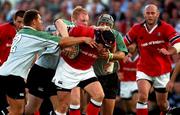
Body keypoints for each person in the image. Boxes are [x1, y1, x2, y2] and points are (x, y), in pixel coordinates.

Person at [0, 9, 96, 115]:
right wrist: (83, 39)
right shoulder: (36, 35)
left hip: (7, 73)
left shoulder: (22, 32)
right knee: (18, 111)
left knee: (28, 108)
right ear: (33, 22)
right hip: (19, 75)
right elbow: (61, 37)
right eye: (40, 19)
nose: (42, 22)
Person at [123, 4, 180, 115]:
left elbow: (178, 43)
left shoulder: (166, 27)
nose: (150, 15)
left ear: (157, 14)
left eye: (153, 13)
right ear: (144, 14)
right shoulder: (136, 28)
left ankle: (167, 110)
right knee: (143, 96)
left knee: (162, 104)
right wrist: (126, 53)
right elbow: (123, 43)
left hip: (162, 70)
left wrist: (170, 51)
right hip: (144, 68)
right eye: (148, 13)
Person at [52, 25, 116, 115]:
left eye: (107, 48)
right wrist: (83, 39)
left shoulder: (109, 39)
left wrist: (110, 59)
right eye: (104, 46)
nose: (105, 49)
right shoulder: (85, 31)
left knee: (99, 96)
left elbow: (113, 47)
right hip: (67, 69)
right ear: (97, 39)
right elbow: (59, 25)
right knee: (63, 106)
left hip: (86, 71)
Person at [92, 14, 128, 115]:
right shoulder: (92, 33)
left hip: (110, 76)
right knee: (89, 110)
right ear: (98, 24)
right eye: (102, 23)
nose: (104, 25)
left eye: (107, 23)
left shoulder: (116, 35)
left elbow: (122, 54)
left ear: (111, 26)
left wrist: (110, 56)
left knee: (108, 112)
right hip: (93, 76)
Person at [0, 10, 25, 114]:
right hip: (3, 73)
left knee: (19, 109)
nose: (21, 25)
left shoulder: (28, 34)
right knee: (10, 106)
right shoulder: (3, 29)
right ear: (14, 20)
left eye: (23, 22)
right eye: (18, 22)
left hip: (18, 74)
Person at [118, 43, 139, 114]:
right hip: (124, 83)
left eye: (132, 44)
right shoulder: (122, 56)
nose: (130, 46)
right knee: (126, 109)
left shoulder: (142, 57)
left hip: (136, 83)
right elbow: (118, 70)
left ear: (137, 45)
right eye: (128, 44)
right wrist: (119, 74)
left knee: (135, 104)